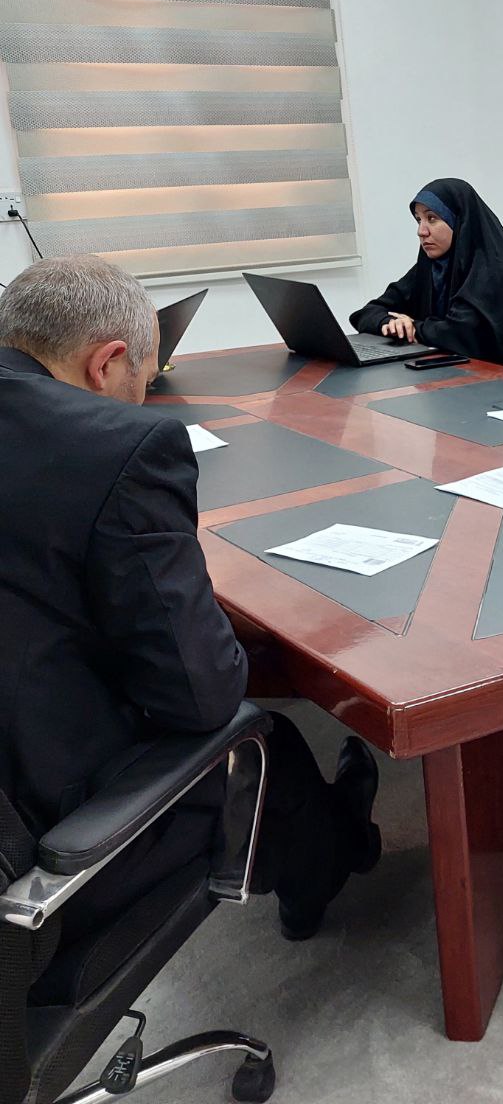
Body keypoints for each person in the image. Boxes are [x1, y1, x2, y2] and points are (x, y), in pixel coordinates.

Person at [0, 256, 381, 944]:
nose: (143, 399)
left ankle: (339, 837)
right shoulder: (116, 447)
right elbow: (199, 696)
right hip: (50, 830)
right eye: (143, 383)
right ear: (105, 364)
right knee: (267, 743)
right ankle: (335, 857)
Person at [350, 177, 503, 366]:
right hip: (452, 373)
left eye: (432, 218)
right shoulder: (431, 266)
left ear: (459, 220)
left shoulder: (496, 269)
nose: (421, 231)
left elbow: (461, 335)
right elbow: (367, 313)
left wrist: (413, 327)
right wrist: (390, 323)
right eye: (419, 220)